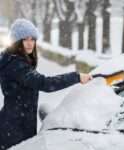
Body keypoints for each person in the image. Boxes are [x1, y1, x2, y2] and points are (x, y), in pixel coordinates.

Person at [0, 18, 92, 150]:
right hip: (13, 130)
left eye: (32, 39)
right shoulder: (16, 65)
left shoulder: (15, 60)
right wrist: (76, 77)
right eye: (25, 39)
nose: (29, 43)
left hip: (15, 125)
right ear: (17, 42)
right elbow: (45, 83)